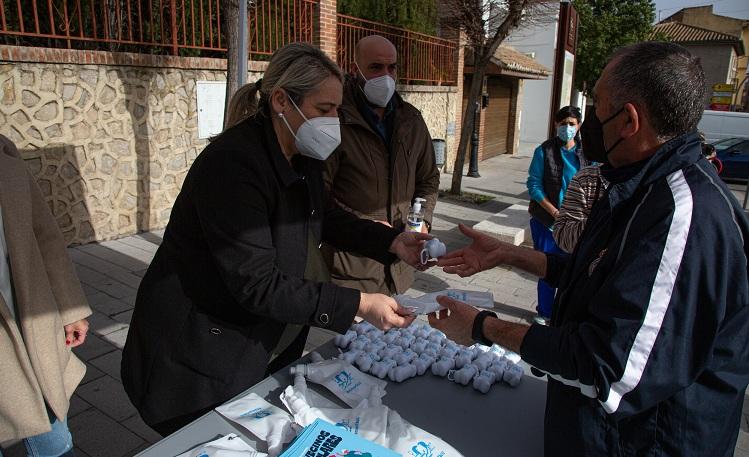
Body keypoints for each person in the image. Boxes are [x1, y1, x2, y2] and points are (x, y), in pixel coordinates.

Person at [429, 42, 749, 456]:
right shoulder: (634, 185)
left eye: (596, 106)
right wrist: (508, 254)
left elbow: (607, 369)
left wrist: (483, 327)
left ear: (628, 119)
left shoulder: (682, 219)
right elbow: (597, 274)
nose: (587, 122)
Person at [121, 42, 429, 436]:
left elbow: (325, 216)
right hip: (202, 349)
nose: (335, 120)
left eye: (338, 109)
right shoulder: (233, 166)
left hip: (261, 338)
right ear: (282, 101)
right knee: (205, 438)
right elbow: (256, 282)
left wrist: (391, 243)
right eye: (324, 109)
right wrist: (358, 302)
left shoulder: (302, 153)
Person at [322, 35, 440, 295]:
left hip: (398, 269)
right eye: (376, 67)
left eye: (392, 68)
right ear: (355, 69)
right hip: (353, 270)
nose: (386, 76)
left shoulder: (411, 120)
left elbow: (428, 179)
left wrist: (422, 221)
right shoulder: (335, 120)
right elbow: (319, 197)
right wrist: (371, 229)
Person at [0, 135, 91, 457]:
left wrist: (70, 307)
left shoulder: (5, 154)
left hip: (30, 325)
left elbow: (45, 235)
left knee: (53, 436)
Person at [526, 105, 589, 322]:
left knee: (572, 270)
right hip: (546, 222)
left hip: (577, 223)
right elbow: (534, 185)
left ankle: (563, 312)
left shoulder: (586, 154)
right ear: (556, 124)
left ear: (579, 126)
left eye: (572, 124)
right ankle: (545, 312)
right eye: (563, 124)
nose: (567, 128)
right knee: (545, 267)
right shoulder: (544, 151)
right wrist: (554, 212)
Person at [551, 164, 608, 253]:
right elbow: (535, 186)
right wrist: (554, 212)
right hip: (555, 217)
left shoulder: (581, 153)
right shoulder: (586, 177)